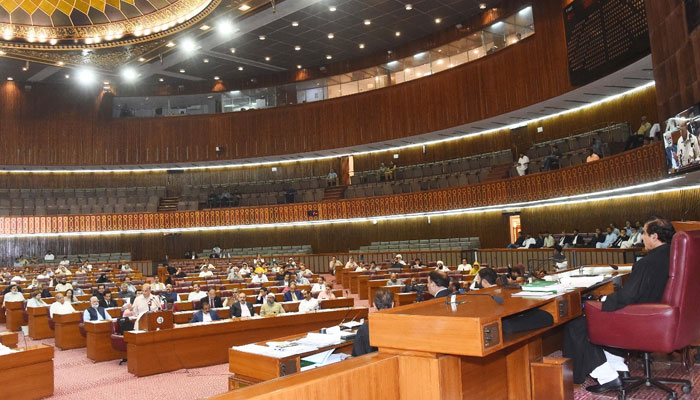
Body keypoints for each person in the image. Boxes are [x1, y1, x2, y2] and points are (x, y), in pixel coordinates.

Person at [563, 216, 675, 392]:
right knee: (597, 318)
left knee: (578, 324)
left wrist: (602, 302)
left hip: (642, 319)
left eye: (644, 234)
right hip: (661, 318)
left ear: (654, 236)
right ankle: (620, 369)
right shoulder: (675, 257)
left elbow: (628, 296)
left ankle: (606, 377)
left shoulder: (647, 263)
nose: (641, 238)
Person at [352, 289, 394, 356]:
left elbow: (357, 357)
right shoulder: (401, 325)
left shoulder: (364, 329)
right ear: (392, 304)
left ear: (374, 305)